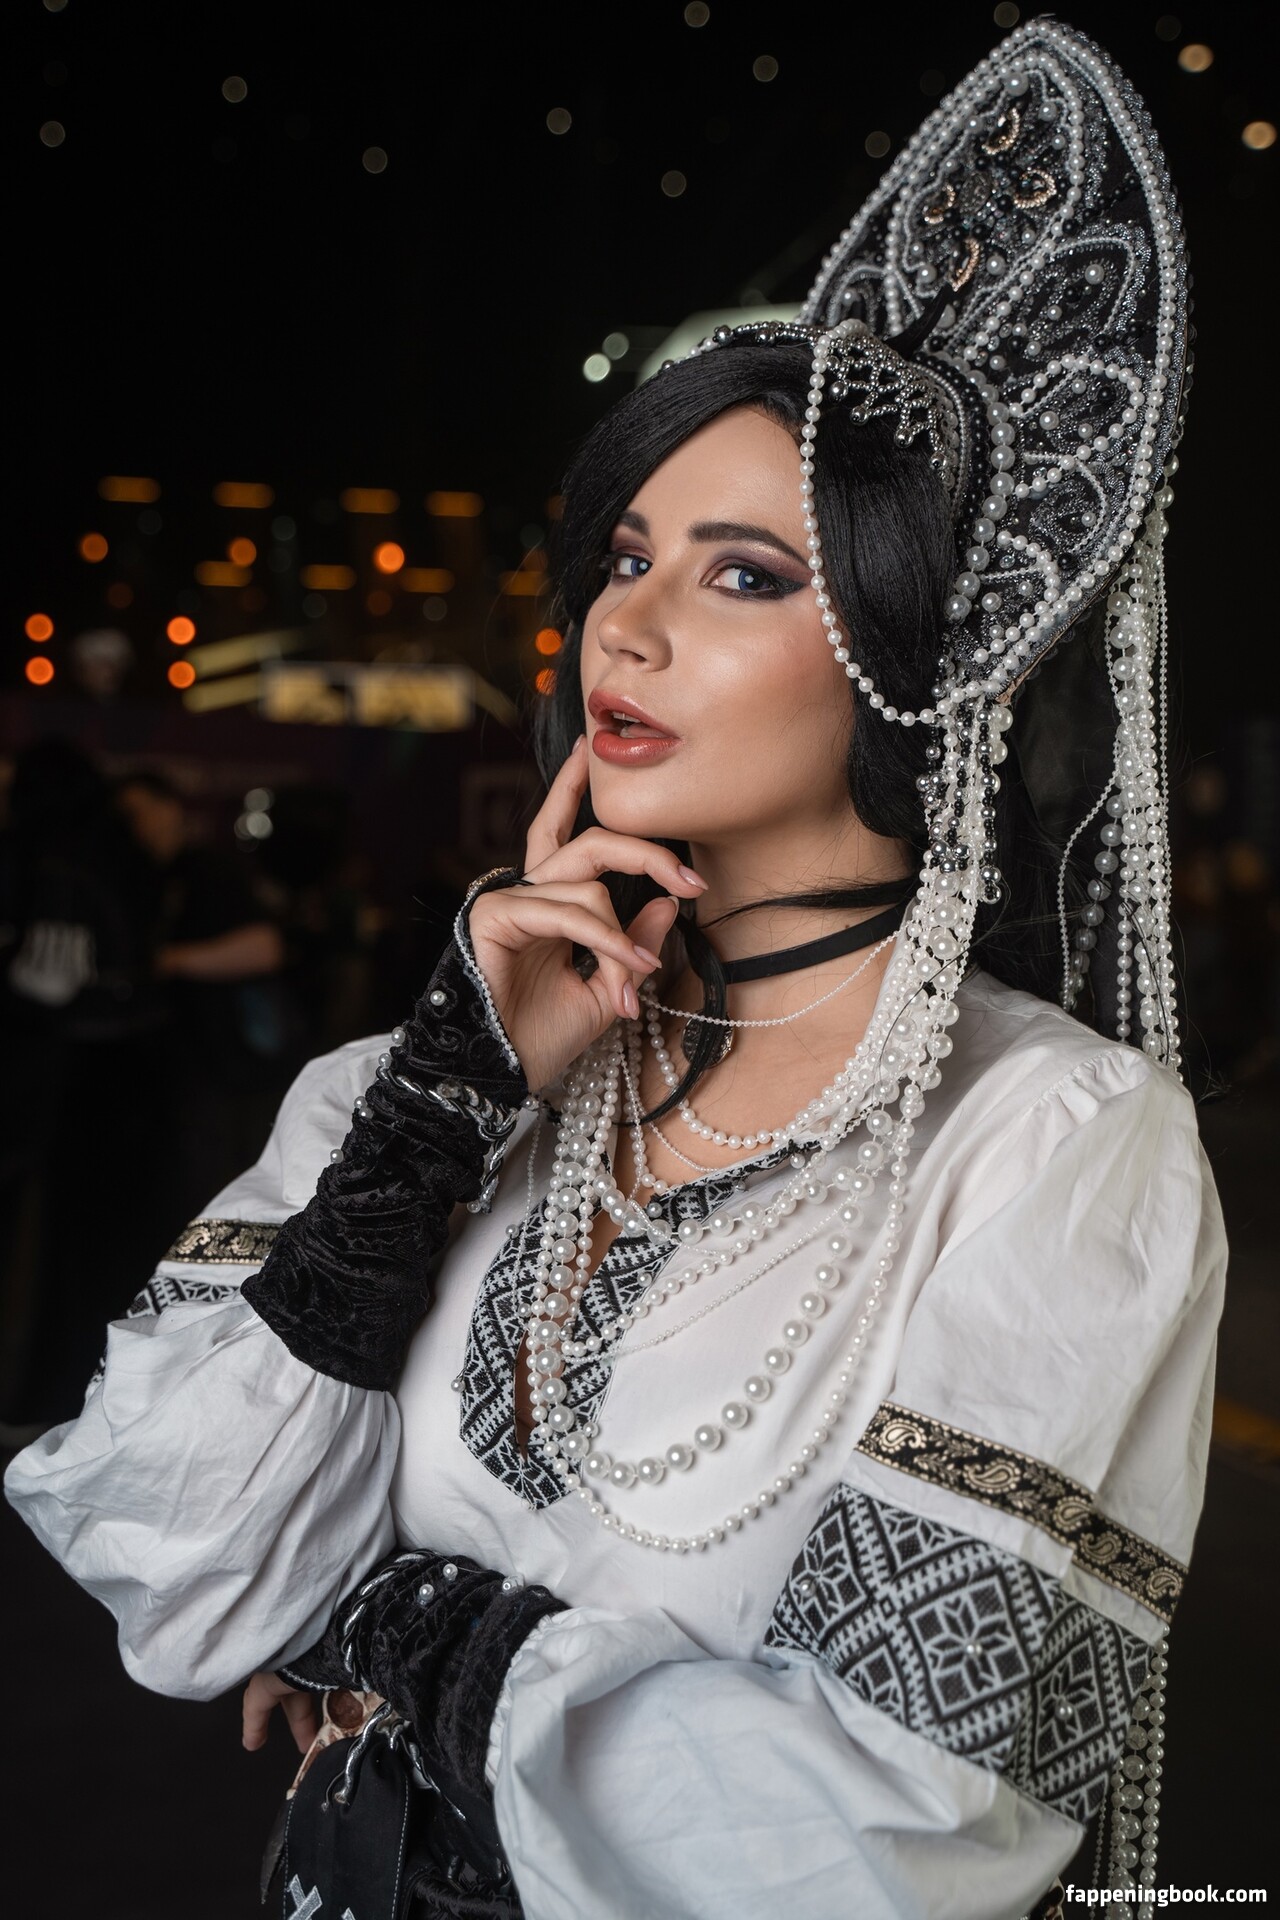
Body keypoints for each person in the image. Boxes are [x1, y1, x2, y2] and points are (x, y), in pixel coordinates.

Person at [4, 22, 1225, 1920]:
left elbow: (881, 1826)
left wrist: (391, 1628)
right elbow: (181, 1570)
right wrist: (441, 1108)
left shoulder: (1052, 1138)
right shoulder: (416, 1084)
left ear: (916, 651)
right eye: (622, 554)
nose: (621, 625)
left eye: (740, 575)